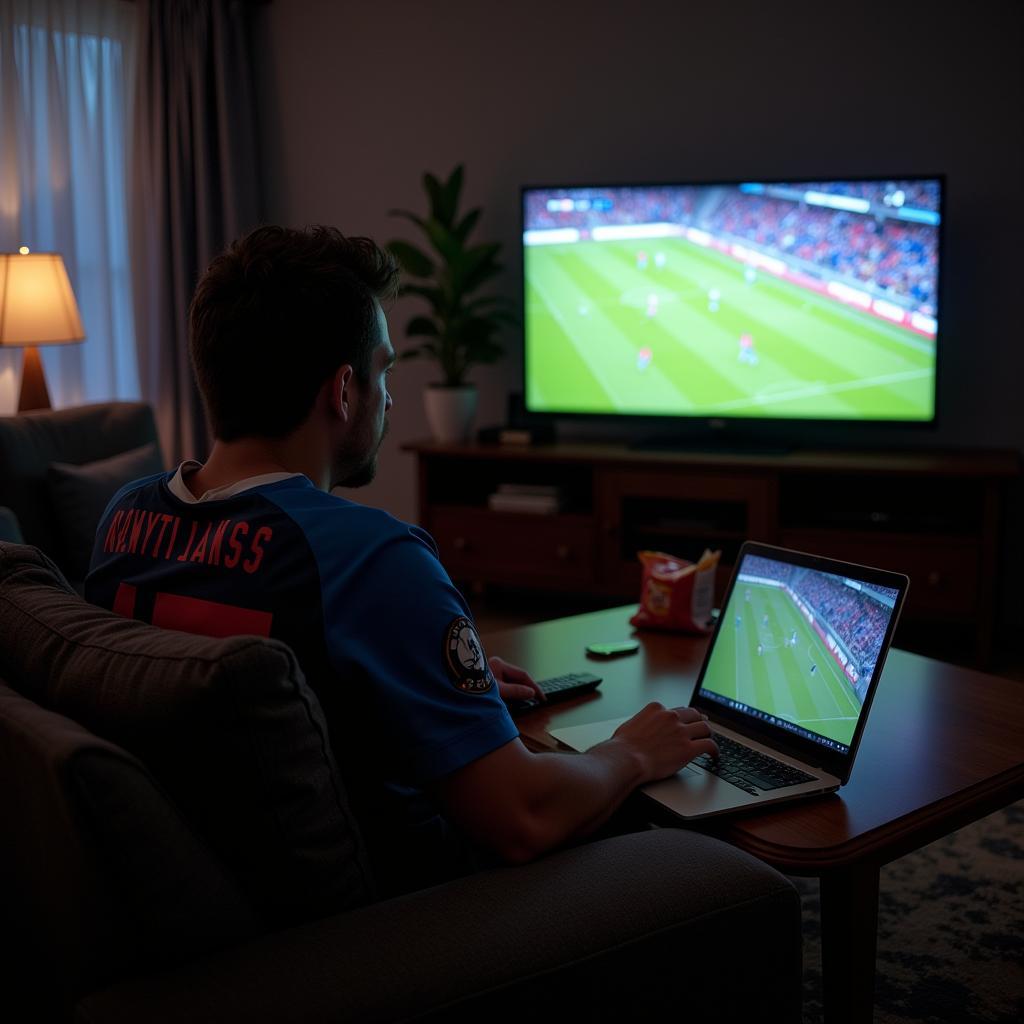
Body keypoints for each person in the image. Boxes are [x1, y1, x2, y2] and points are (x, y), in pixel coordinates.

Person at [84, 225, 718, 894]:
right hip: (394, 925)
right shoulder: (371, 556)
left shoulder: (124, 514)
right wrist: (631, 752)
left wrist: (417, 681)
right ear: (344, 390)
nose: (389, 397)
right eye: (383, 370)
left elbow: (264, 680)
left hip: (205, 879)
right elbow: (523, 816)